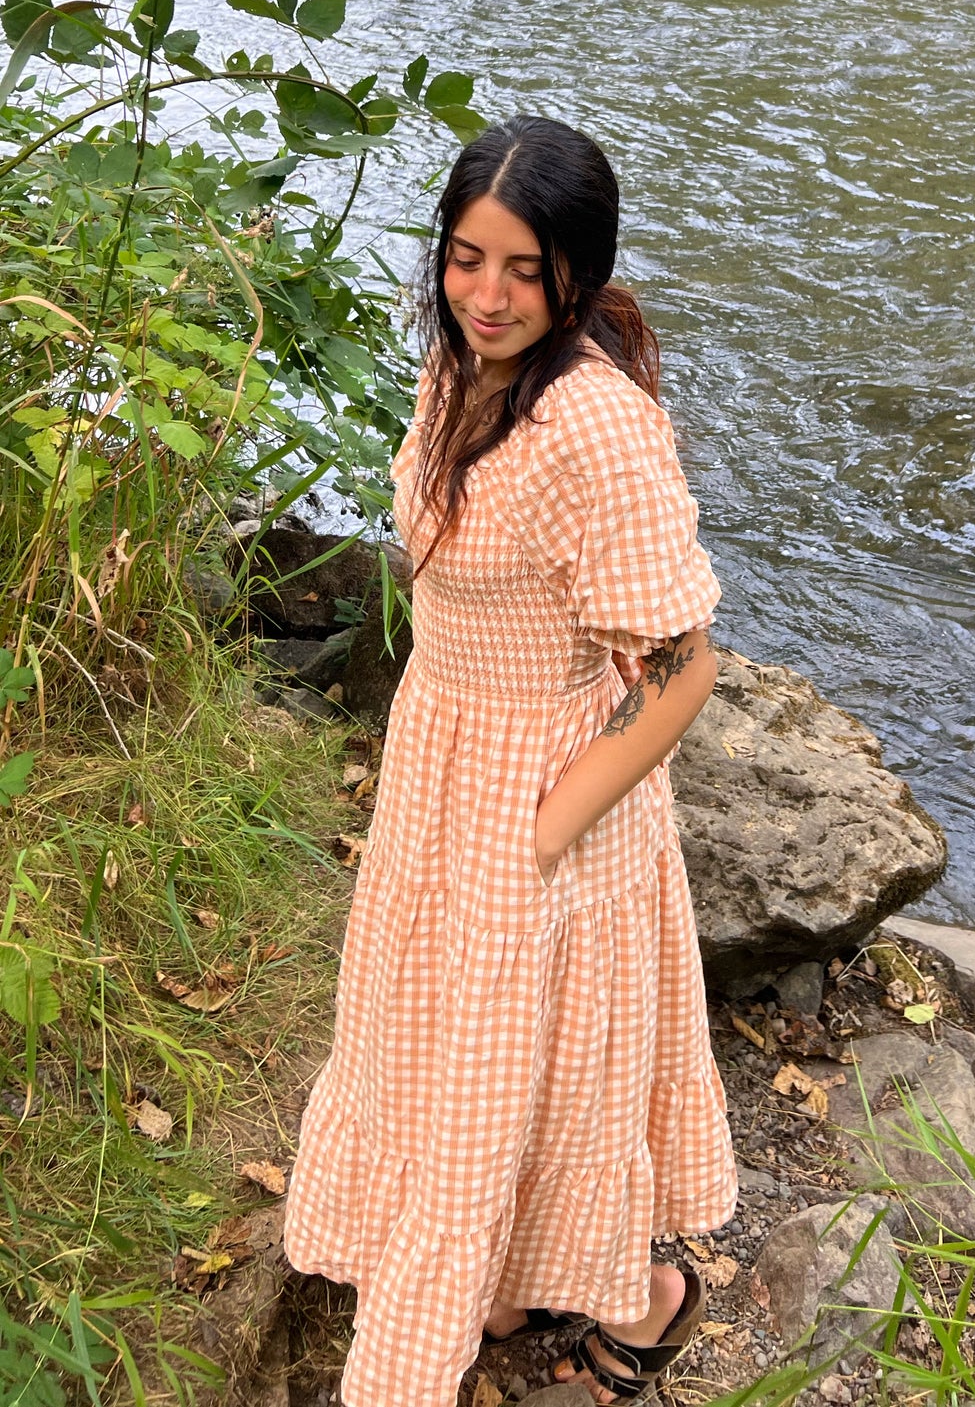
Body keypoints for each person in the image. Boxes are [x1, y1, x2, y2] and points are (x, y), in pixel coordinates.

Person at [284, 116, 737, 1407]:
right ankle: (508, 1278)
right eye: (465, 258)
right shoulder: (458, 367)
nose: (485, 295)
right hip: (441, 749)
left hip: (541, 789)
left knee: (488, 1071)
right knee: (440, 1053)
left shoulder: (595, 426)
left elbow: (684, 664)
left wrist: (552, 819)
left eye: (522, 269)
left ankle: (634, 1302)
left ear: (575, 275)